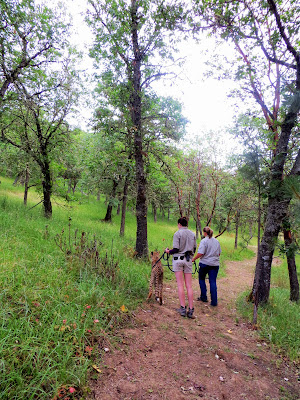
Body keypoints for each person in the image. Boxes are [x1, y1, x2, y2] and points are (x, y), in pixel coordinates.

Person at [165, 216, 197, 318]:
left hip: (178, 260)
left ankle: (182, 308)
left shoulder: (177, 233)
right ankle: (191, 310)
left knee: (180, 285)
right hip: (188, 260)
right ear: (186, 224)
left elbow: (176, 248)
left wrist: (168, 251)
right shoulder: (192, 234)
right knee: (189, 286)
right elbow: (194, 248)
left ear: (179, 224)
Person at [192, 226, 221, 307]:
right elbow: (219, 253)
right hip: (214, 264)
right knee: (213, 281)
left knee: (201, 279)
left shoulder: (204, 241)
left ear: (205, 233)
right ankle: (214, 301)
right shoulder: (216, 241)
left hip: (205, 263)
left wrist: (194, 259)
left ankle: (204, 297)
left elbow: (201, 253)